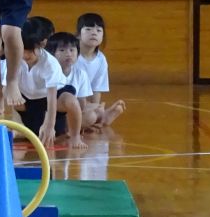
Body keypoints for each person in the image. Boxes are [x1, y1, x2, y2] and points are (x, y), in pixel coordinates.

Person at [11, 16, 67, 149]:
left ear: (42, 44)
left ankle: (73, 132)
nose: (25, 55)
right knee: (2, 96)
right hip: (26, 99)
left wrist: (49, 125)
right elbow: (6, 87)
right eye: (22, 50)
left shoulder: (50, 64)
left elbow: (52, 99)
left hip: (47, 100)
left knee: (49, 131)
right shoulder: (13, 57)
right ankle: (17, 126)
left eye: (30, 50)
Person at [76, 11, 126, 127]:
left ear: (103, 37)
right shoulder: (71, 55)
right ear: (78, 34)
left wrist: (96, 108)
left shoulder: (101, 59)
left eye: (98, 30)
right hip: (67, 100)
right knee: (89, 116)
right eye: (88, 29)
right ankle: (95, 118)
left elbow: (97, 88)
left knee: (94, 113)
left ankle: (100, 117)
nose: (94, 33)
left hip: (83, 103)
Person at [45, 31, 91, 148]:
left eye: (72, 50)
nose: (68, 54)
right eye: (62, 50)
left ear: (78, 53)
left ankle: (102, 116)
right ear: (51, 54)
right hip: (49, 114)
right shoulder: (48, 72)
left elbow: (82, 104)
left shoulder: (81, 74)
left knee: (91, 115)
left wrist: (75, 120)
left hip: (71, 114)